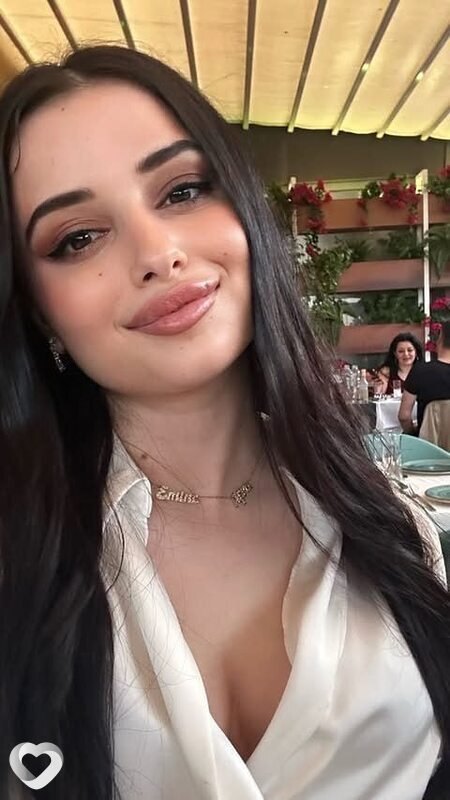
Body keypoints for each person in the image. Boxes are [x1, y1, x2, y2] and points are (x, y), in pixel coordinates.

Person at [0, 45, 448, 800]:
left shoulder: (399, 532)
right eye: (78, 237)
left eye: (181, 191)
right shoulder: (18, 563)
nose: (157, 253)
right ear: (39, 310)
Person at [400, 321, 450, 435]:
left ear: (440, 340)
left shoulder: (420, 371)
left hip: (429, 443)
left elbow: (404, 416)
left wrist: (413, 433)